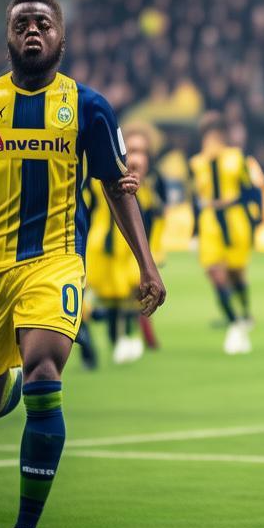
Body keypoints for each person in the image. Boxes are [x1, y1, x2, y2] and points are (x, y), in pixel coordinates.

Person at [0, 0, 167, 528]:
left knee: (46, 372)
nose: (32, 31)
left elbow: (117, 187)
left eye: (43, 24)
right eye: (22, 23)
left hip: (55, 262)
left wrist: (147, 265)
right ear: (7, 37)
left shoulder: (90, 108)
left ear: (61, 39)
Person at [85, 125, 168, 363]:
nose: (136, 158)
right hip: (101, 248)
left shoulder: (152, 186)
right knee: (100, 299)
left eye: (142, 151)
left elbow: (157, 219)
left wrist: (155, 252)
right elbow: (86, 210)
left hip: (131, 252)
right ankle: (91, 336)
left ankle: (126, 338)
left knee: (132, 293)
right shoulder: (99, 179)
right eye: (132, 150)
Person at [189, 112, 264, 355]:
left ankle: (245, 313)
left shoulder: (237, 159)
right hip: (210, 221)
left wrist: (256, 220)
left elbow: (251, 190)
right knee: (214, 272)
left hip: (234, 219)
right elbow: (194, 199)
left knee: (236, 273)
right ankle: (234, 323)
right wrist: (194, 232)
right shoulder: (197, 163)